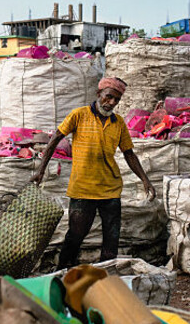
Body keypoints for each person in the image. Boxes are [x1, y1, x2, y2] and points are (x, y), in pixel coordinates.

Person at [32, 76, 156, 269]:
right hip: (83, 188)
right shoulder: (79, 115)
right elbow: (56, 138)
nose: (112, 102)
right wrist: (41, 170)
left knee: (111, 240)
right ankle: (62, 273)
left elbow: (129, 154)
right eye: (108, 97)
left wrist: (145, 181)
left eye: (116, 100)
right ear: (99, 94)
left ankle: (105, 279)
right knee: (75, 236)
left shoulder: (118, 123)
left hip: (110, 189)